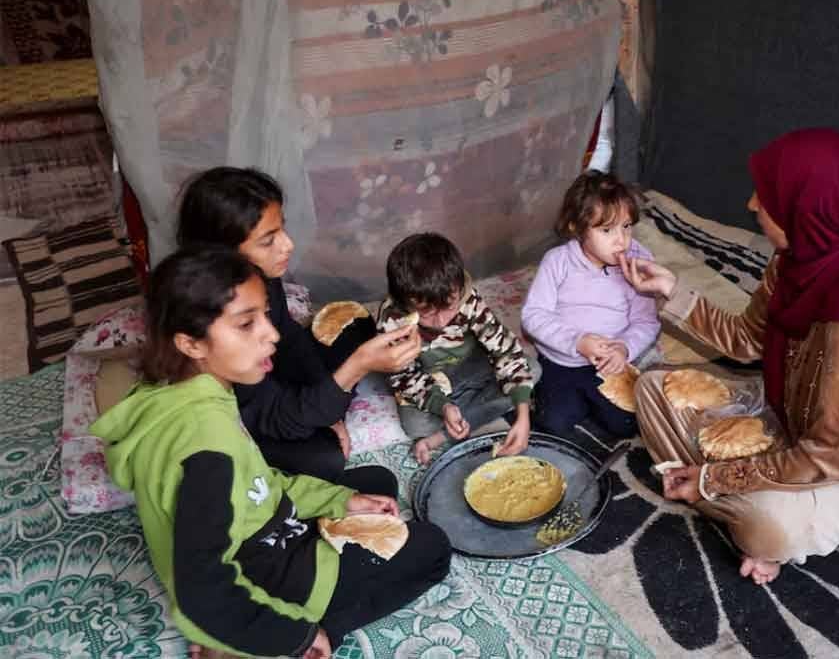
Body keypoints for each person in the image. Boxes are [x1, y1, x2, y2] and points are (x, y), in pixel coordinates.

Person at [91, 246, 451, 658]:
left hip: (255, 527)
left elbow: (256, 484)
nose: (273, 334)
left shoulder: (176, 393)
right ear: (190, 343)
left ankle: (239, 632)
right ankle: (265, 642)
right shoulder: (208, 448)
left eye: (265, 315)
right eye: (247, 324)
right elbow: (203, 586)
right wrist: (293, 637)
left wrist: (340, 500)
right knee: (433, 548)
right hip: (266, 575)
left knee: (375, 482)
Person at [623, 128, 839, 585]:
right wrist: (672, 289)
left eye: (766, 197)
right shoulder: (794, 261)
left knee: (763, 527)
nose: (751, 204)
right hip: (787, 419)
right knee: (651, 388)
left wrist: (716, 481)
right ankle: (720, 491)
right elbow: (747, 339)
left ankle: (727, 503)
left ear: (802, 209)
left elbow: (834, 454)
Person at [176, 167, 422, 482]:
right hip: (252, 406)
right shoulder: (214, 321)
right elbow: (267, 409)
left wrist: (327, 403)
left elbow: (288, 339)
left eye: (282, 230)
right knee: (325, 459)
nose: (288, 245)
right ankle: (317, 407)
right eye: (268, 240)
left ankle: (319, 404)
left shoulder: (258, 278)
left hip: (270, 380)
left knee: (356, 327)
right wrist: (354, 370)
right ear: (224, 254)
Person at [521, 170, 659, 440]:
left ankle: (590, 403)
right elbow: (533, 315)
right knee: (553, 423)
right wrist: (577, 341)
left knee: (628, 425)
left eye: (627, 226)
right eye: (606, 230)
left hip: (610, 364)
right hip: (562, 358)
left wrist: (624, 348)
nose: (621, 240)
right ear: (577, 227)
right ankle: (563, 398)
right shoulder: (557, 261)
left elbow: (647, 321)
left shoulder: (638, 261)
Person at [377, 232, 536, 465]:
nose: (441, 322)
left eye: (449, 308)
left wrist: (523, 418)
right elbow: (403, 375)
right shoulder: (392, 321)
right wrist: (443, 406)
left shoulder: (467, 297)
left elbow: (505, 351)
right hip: (428, 377)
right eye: (426, 313)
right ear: (405, 303)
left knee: (531, 370)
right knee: (414, 425)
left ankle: (443, 433)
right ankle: (460, 416)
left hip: (470, 367)